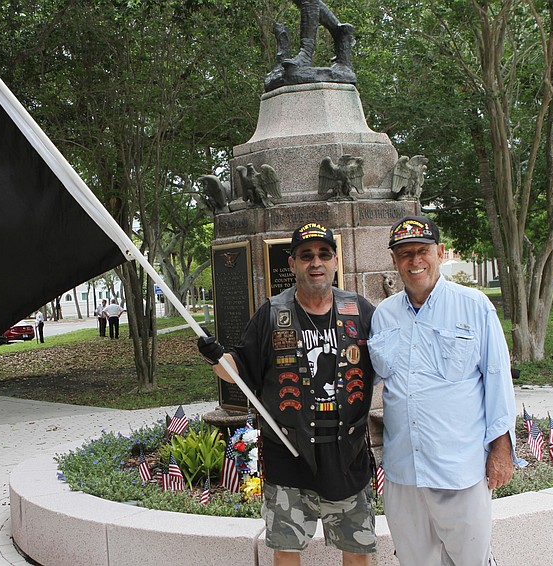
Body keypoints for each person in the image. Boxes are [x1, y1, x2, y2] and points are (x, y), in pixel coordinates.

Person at [197, 222, 376, 566]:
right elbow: (237, 371)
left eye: (324, 254)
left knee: (358, 551)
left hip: (347, 454)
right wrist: (215, 356)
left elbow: (388, 364)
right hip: (288, 452)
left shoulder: (360, 310)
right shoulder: (271, 313)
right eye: (306, 256)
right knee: (285, 551)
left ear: (335, 261)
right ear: (292, 264)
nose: (316, 262)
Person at [368, 215, 522, 566]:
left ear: (439, 252)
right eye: (405, 254)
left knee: (471, 560)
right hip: (403, 472)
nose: (414, 261)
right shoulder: (383, 315)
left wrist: (501, 450)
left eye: (422, 251)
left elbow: (498, 380)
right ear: (394, 260)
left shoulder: (475, 306)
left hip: (459, 468)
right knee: (415, 561)